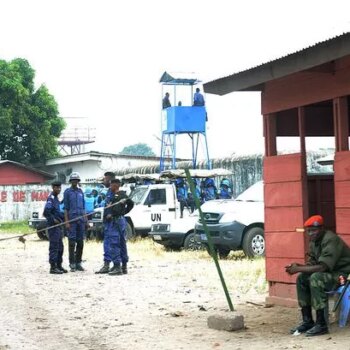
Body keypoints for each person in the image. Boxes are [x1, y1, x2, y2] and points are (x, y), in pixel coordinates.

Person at [286, 215, 350, 336]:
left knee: (316, 278)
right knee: (302, 278)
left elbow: (322, 267)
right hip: (329, 272)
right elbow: (313, 263)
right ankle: (307, 321)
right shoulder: (314, 242)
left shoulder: (331, 239)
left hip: (343, 274)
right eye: (309, 231)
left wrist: (298, 268)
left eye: (314, 230)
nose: (311, 233)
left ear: (322, 229)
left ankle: (321, 324)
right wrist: (297, 266)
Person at [96, 179, 134, 275]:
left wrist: (123, 212)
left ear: (116, 185)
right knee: (121, 243)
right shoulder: (113, 197)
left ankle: (118, 266)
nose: (110, 187)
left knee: (115, 243)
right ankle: (123, 267)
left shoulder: (121, 195)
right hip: (117, 221)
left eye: (111, 185)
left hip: (116, 221)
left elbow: (131, 203)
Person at [64, 172, 87, 272]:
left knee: (80, 243)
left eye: (76, 180)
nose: (75, 182)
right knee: (72, 242)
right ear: (71, 181)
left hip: (81, 221)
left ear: (78, 181)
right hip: (72, 221)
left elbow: (83, 208)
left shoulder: (81, 192)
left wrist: (86, 221)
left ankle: (78, 263)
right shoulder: (67, 192)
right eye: (73, 180)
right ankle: (72, 263)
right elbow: (66, 209)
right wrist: (67, 222)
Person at [43, 181, 67, 274]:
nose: (59, 189)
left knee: (60, 247)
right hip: (53, 227)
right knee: (54, 247)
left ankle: (59, 265)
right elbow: (46, 212)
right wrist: (53, 220)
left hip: (58, 227)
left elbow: (57, 212)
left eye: (60, 188)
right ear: (53, 187)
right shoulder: (51, 198)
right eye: (57, 187)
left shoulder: (56, 199)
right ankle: (53, 267)